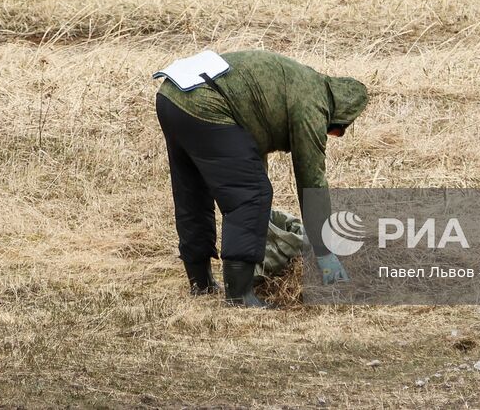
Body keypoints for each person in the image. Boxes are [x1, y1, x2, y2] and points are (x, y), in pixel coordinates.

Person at [154, 50, 370, 308]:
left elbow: (248, 146)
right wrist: (324, 252)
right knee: (252, 195)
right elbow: (311, 180)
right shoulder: (314, 104)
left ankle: (201, 283)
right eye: (340, 129)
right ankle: (240, 295)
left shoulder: (299, 82)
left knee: (192, 190)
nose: (336, 135)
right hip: (205, 102)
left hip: (171, 97)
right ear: (341, 115)